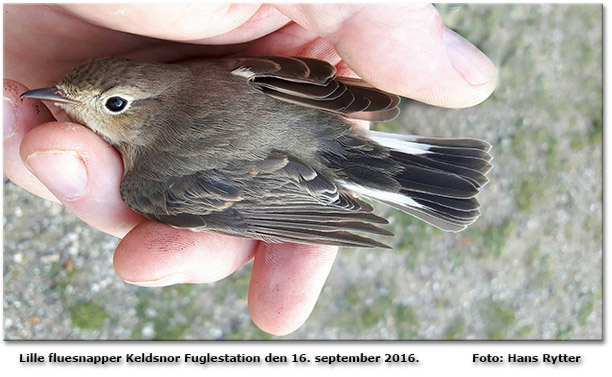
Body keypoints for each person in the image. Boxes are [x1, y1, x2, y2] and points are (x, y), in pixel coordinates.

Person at [3, 3, 497, 336]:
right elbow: (265, 74)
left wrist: (328, 205)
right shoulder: (194, 76)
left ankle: (408, 179)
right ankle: (412, 174)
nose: (78, 107)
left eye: (113, 103)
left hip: (301, 151)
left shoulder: (147, 182)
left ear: (146, 97)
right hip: (296, 101)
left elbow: (247, 204)